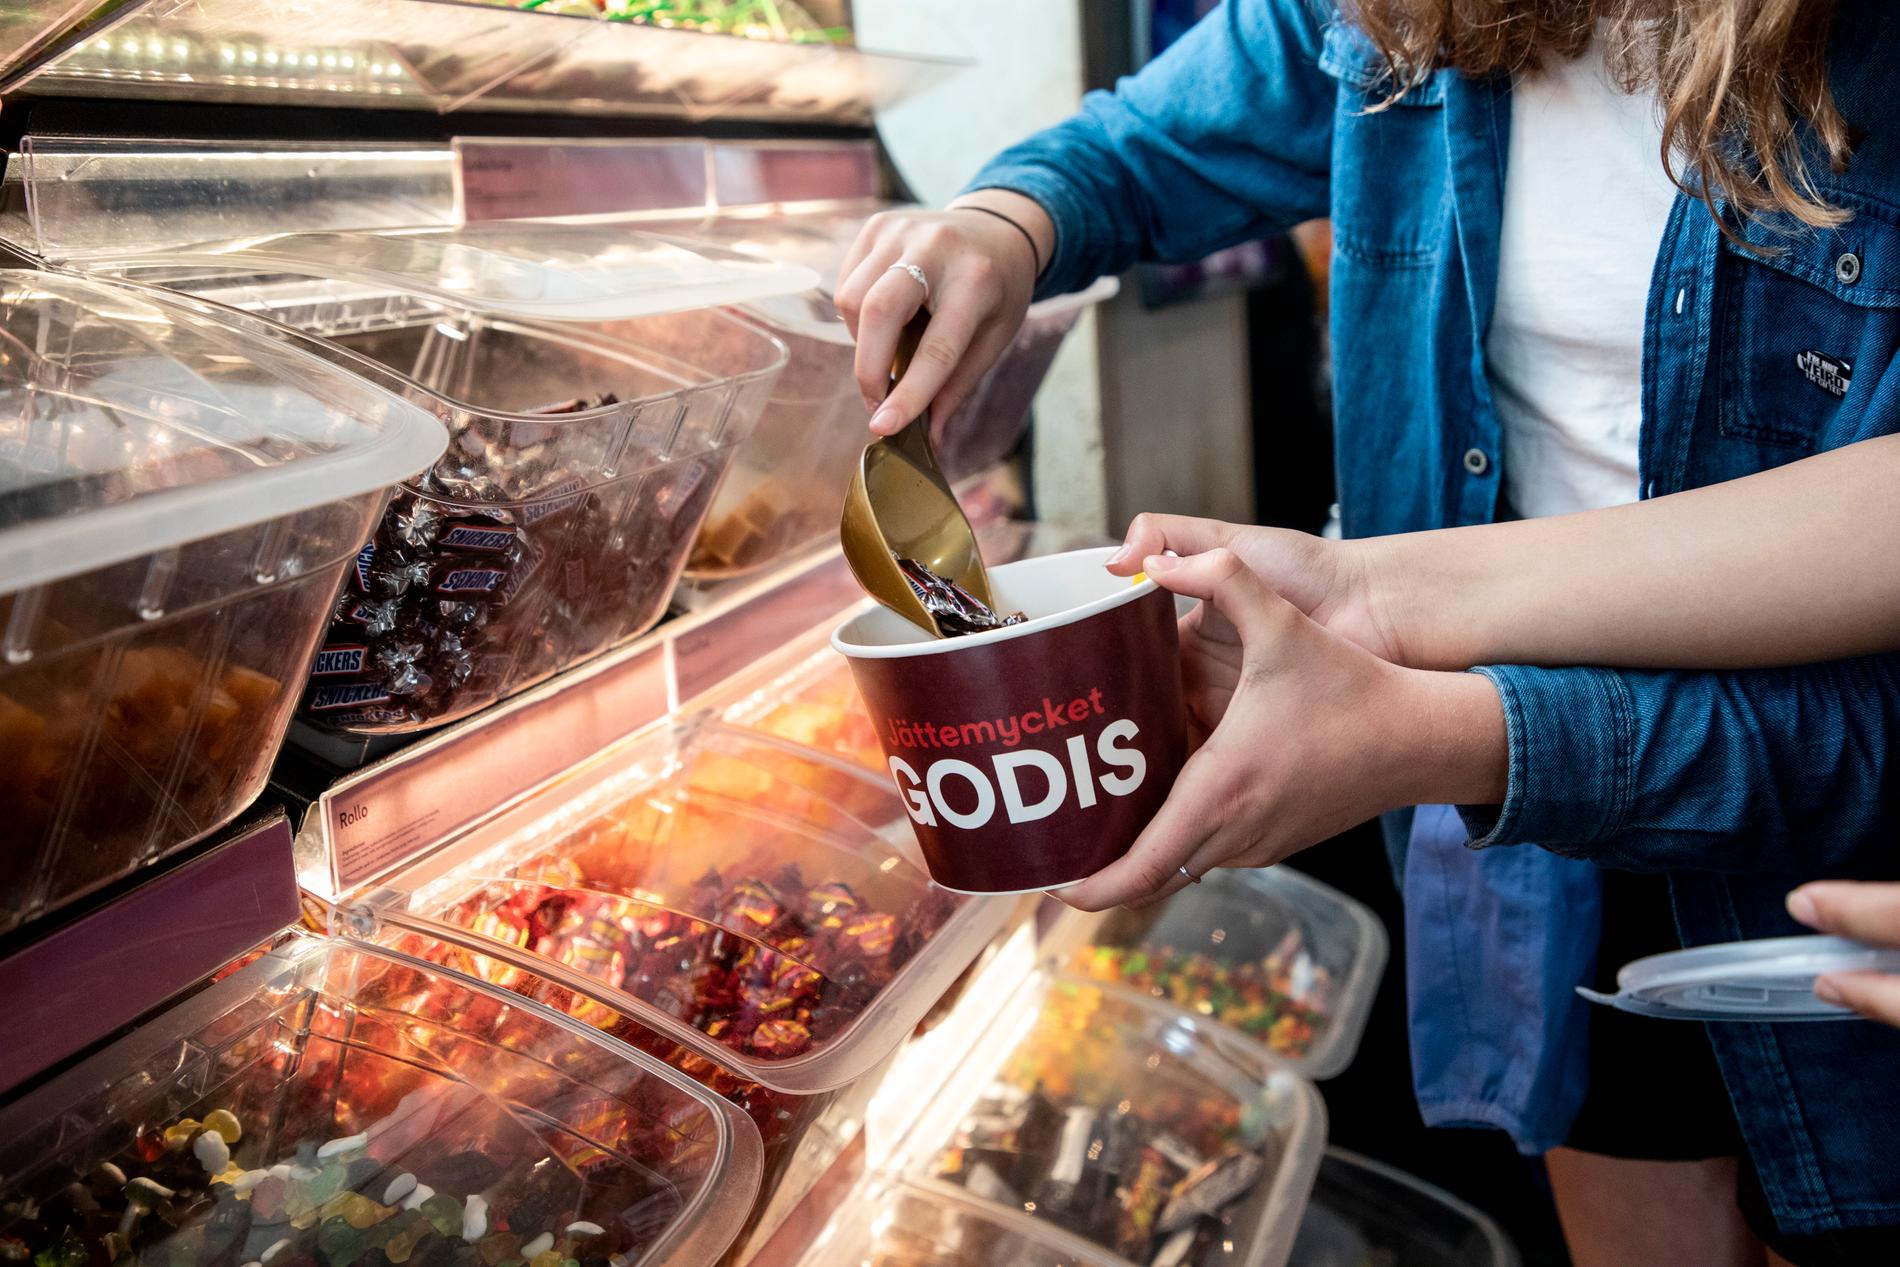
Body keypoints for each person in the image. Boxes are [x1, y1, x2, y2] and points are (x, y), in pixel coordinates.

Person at [834, 2, 1900, 1265]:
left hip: (1834, 807)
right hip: (1542, 833)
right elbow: (1142, 144)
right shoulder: (1388, 15)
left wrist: (1403, 663)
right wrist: (1004, 228)